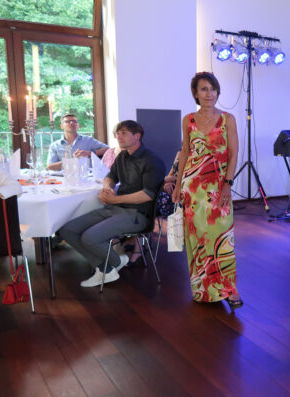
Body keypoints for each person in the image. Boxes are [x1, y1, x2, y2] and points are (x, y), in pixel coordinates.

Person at [57, 120, 165, 287]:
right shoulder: (122, 156)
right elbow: (110, 177)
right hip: (115, 208)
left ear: (137, 136)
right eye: (117, 133)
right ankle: (108, 267)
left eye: (123, 133)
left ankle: (109, 266)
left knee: (89, 238)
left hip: (138, 215)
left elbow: (147, 195)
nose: (118, 137)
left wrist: (115, 199)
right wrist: (107, 188)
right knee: (67, 230)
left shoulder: (152, 160)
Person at [172, 72, 242, 309]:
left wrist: (228, 184)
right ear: (195, 93)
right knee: (198, 238)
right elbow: (185, 152)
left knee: (222, 236)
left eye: (213, 89)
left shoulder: (228, 119)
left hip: (218, 187)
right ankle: (202, 289)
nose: (209, 94)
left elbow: (233, 153)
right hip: (192, 188)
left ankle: (228, 289)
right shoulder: (188, 120)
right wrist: (178, 184)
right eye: (204, 89)